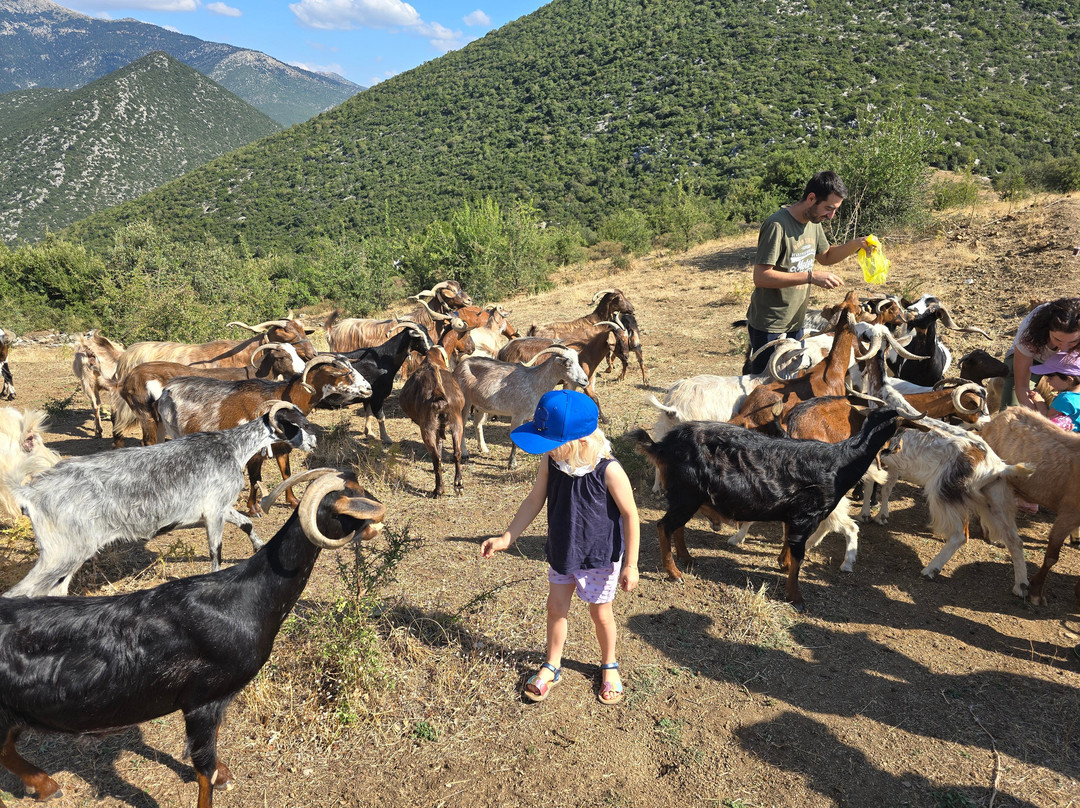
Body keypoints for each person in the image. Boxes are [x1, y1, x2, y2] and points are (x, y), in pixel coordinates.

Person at [480, 389, 640, 705]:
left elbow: (630, 514)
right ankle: (552, 663)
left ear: (581, 442)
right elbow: (534, 500)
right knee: (556, 609)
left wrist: (631, 564)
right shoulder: (552, 462)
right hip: (562, 550)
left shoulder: (608, 469)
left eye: (553, 445)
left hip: (599, 558)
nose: (548, 451)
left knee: (601, 614)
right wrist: (507, 537)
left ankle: (609, 664)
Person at [743, 171, 872, 374]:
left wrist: (856, 244)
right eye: (829, 208)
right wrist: (811, 277)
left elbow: (826, 256)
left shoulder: (813, 223)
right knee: (763, 385)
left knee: (791, 380)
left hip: (795, 320)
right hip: (770, 324)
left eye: (835, 210)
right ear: (811, 198)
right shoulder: (777, 225)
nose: (831, 216)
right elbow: (761, 277)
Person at [1000, 297, 1080, 411]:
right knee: (1012, 410)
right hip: (1033, 360)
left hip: (1067, 366)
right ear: (1046, 330)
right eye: (1057, 340)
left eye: (1073, 341)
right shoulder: (1029, 335)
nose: (1064, 348)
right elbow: (1022, 387)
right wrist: (1038, 421)